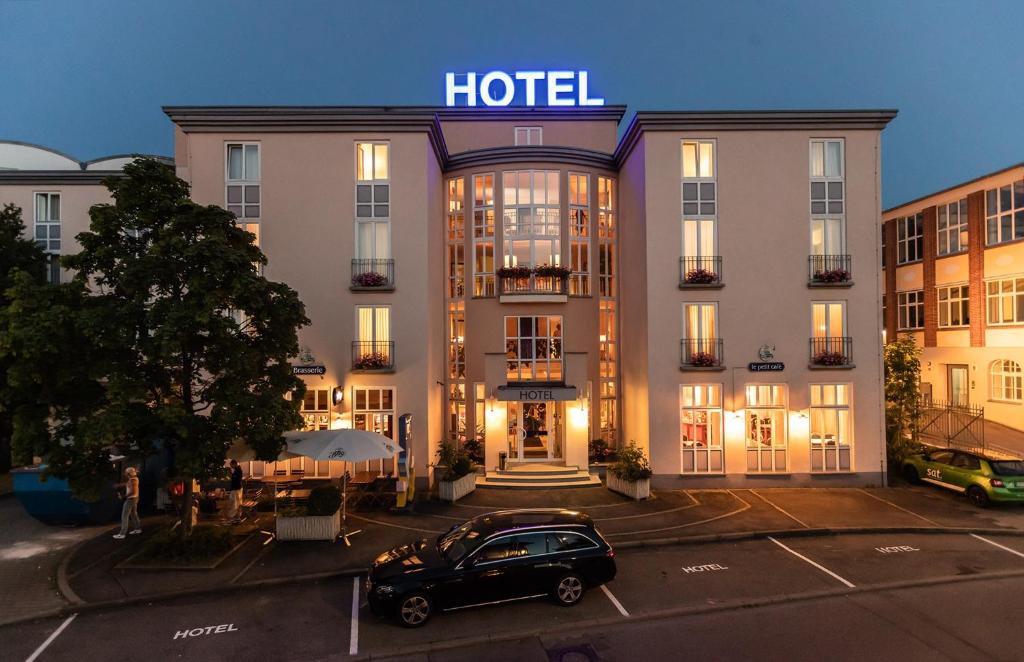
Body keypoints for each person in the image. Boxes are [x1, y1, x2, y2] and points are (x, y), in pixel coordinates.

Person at [113, 467, 141, 539]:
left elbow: (133, 491)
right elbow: (128, 484)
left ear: (129, 474)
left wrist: (123, 496)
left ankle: (122, 534)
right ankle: (137, 529)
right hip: (134, 499)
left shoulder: (133, 481)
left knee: (124, 516)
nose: (125, 475)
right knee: (133, 514)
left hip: (130, 500)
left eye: (126, 473)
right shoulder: (134, 479)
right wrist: (119, 485)